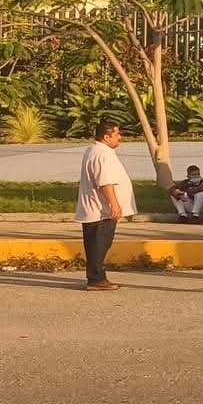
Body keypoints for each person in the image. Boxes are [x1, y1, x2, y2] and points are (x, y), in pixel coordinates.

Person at [72, 121, 135, 292]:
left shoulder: (96, 150)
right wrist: (114, 204)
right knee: (98, 244)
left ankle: (97, 277)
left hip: (98, 209)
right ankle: (96, 279)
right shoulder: (102, 154)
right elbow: (105, 181)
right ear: (106, 137)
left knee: (98, 244)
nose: (120, 138)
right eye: (117, 134)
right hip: (100, 210)